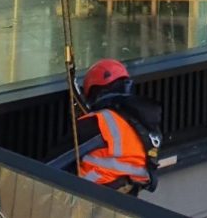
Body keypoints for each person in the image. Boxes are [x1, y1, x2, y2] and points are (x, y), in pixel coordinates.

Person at [47, 59, 162, 195]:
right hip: (128, 195)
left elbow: (53, 163)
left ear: (96, 92)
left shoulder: (100, 122)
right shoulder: (143, 123)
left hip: (92, 196)